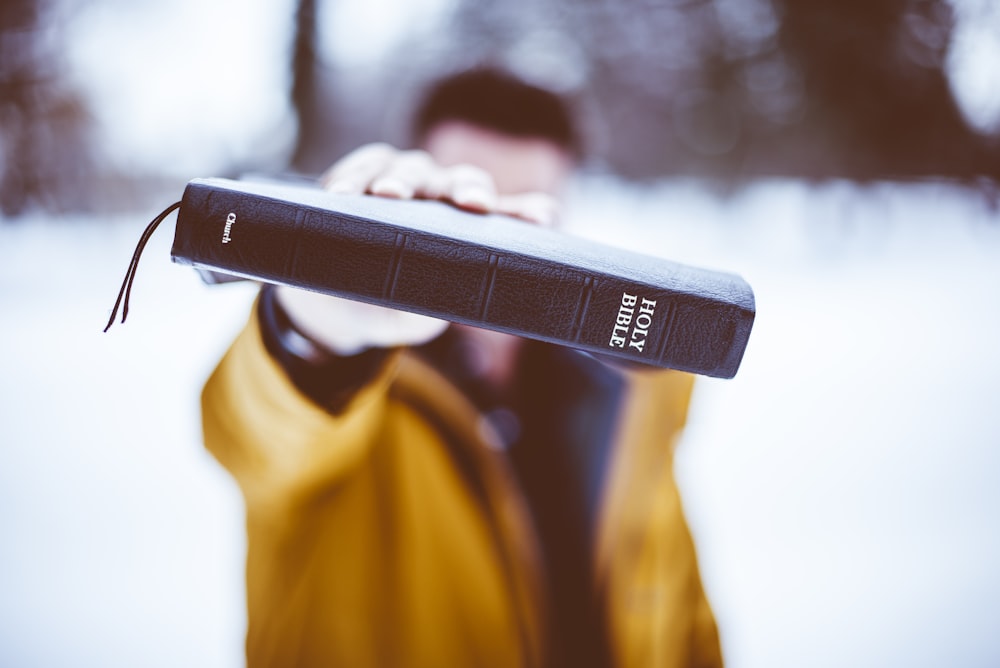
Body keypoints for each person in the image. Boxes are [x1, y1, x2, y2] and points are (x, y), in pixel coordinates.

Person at [201, 68, 722, 667]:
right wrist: (315, 328)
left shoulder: (630, 393)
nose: (496, 248)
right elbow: (253, 434)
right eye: (470, 213)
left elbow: (685, 621)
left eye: (525, 215)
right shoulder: (346, 388)